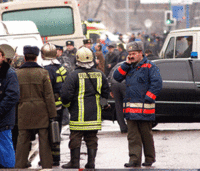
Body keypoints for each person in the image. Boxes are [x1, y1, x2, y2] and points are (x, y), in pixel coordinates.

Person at [113, 41, 162, 167]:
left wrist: (148, 98)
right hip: (131, 110)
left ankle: (150, 158)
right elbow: (117, 77)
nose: (131, 56)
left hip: (145, 109)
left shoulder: (150, 66)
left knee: (146, 135)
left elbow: (157, 83)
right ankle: (134, 160)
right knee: (133, 136)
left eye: (133, 53)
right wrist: (125, 64)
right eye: (129, 54)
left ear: (141, 54)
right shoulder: (128, 66)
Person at [61, 47, 109, 169]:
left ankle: (74, 162)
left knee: (75, 138)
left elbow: (66, 95)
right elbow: (105, 93)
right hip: (95, 114)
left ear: (77, 59)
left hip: (78, 114)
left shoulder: (73, 75)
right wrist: (103, 105)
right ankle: (91, 163)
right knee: (92, 138)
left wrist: (67, 106)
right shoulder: (100, 74)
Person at [15, 45, 57, 169]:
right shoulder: (43, 73)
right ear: (37, 57)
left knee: (22, 139)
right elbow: (49, 96)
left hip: (24, 109)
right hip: (41, 110)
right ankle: (46, 165)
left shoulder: (18, 74)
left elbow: (15, 95)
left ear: (25, 57)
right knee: (44, 139)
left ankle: (20, 165)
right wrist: (52, 114)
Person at [41, 43, 68, 166]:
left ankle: (49, 158)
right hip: (60, 104)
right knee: (57, 131)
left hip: (50, 106)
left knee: (48, 133)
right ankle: (56, 158)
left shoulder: (46, 69)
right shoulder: (61, 67)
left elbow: (47, 89)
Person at [0, 44, 20, 168]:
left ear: (2, 57)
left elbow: (12, 95)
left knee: (6, 148)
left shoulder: (9, 73)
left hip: (4, 118)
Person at [108, 62, 127, 133]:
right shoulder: (131, 65)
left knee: (118, 106)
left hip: (114, 85)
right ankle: (131, 125)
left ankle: (123, 127)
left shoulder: (118, 65)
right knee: (129, 105)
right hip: (125, 84)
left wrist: (110, 89)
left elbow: (110, 76)